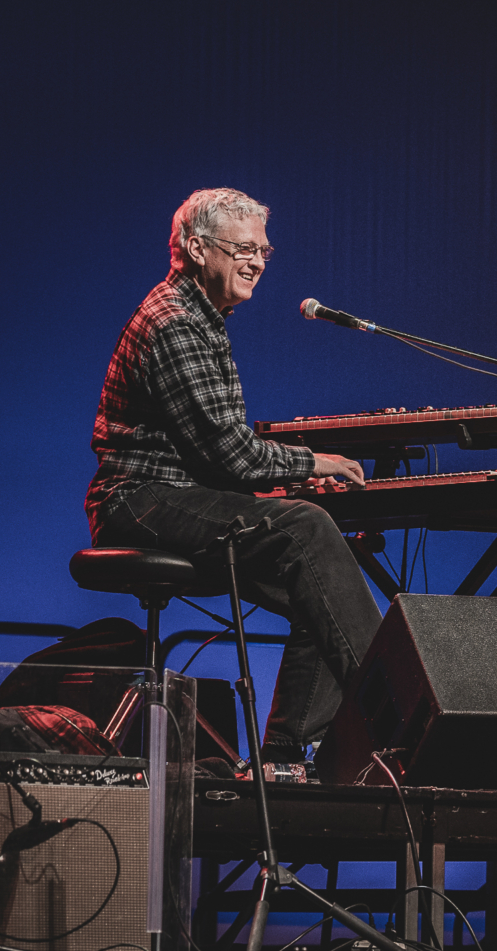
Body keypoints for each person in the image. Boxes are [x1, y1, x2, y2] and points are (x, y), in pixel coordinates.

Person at [86, 187, 381, 766]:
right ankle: (392, 707)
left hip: (177, 492)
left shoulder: (203, 317)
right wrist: (310, 464)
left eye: (264, 252)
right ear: (196, 249)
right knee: (308, 532)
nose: (256, 262)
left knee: (320, 592)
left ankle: (284, 759)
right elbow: (231, 458)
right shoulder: (173, 322)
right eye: (242, 248)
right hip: (140, 499)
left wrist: (287, 478)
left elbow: (221, 456)